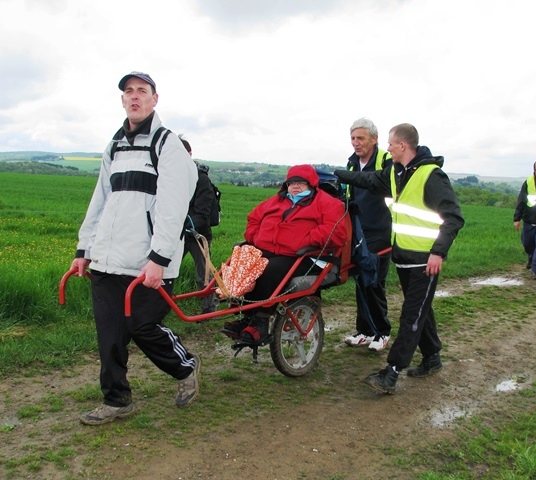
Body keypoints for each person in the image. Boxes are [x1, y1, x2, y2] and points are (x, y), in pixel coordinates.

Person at [71, 72, 200, 425]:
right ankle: (116, 400)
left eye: (142, 91)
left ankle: (185, 367)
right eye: (128, 92)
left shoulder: (166, 145)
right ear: (123, 100)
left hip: (148, 263)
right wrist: (84, 250)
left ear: (155, 99)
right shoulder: (114, 146)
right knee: (109, 334)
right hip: (108, 261)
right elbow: (100, 200)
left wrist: (158, 259)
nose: (134, 97)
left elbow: (173, 209)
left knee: (143, 326)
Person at [335, 123, 464, 394]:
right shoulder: (396, 173)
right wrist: (335, 175)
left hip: (425, 261)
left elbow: (453, 217)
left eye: (392, 144)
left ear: (403, 146)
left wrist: (438, 252)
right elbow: (368, 181)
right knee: (420, 310)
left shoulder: (432, 176)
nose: (389, 148)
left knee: (410, 317)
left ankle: (391, 372)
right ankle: (432, 357)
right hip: (403, 257)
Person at [221, 164, 348, 347]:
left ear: (311, 184)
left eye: (301, 183)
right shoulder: (276, 201)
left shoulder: (328, 203)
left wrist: (304, 240)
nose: (295, 186)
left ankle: (260, 322)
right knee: (246, 264)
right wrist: (255, 238)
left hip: (306, 256)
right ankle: (247, 317)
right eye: (291, 182)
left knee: (270, 270)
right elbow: (253, 220)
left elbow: (335, 233)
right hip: (272, 250)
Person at [343, 118, 393, 351]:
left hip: (381, 229)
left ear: (374, 139)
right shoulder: (352, 163)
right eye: (353, 138)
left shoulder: (386, 161)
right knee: (361, 280)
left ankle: (382, 333)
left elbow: (387, 188)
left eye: (360, 138)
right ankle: (363, 331)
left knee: (375, 281)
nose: (356, 142)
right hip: (358, 230)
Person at [180, 136, 217, 314]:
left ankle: (209, 308)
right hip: (176, 233)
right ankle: (158, 306)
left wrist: (182, 222)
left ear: (189, 154)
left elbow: (202, 213)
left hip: (198, 234)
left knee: (203, 274)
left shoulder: (201, 180)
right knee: (164, 270)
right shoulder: (170, 177)